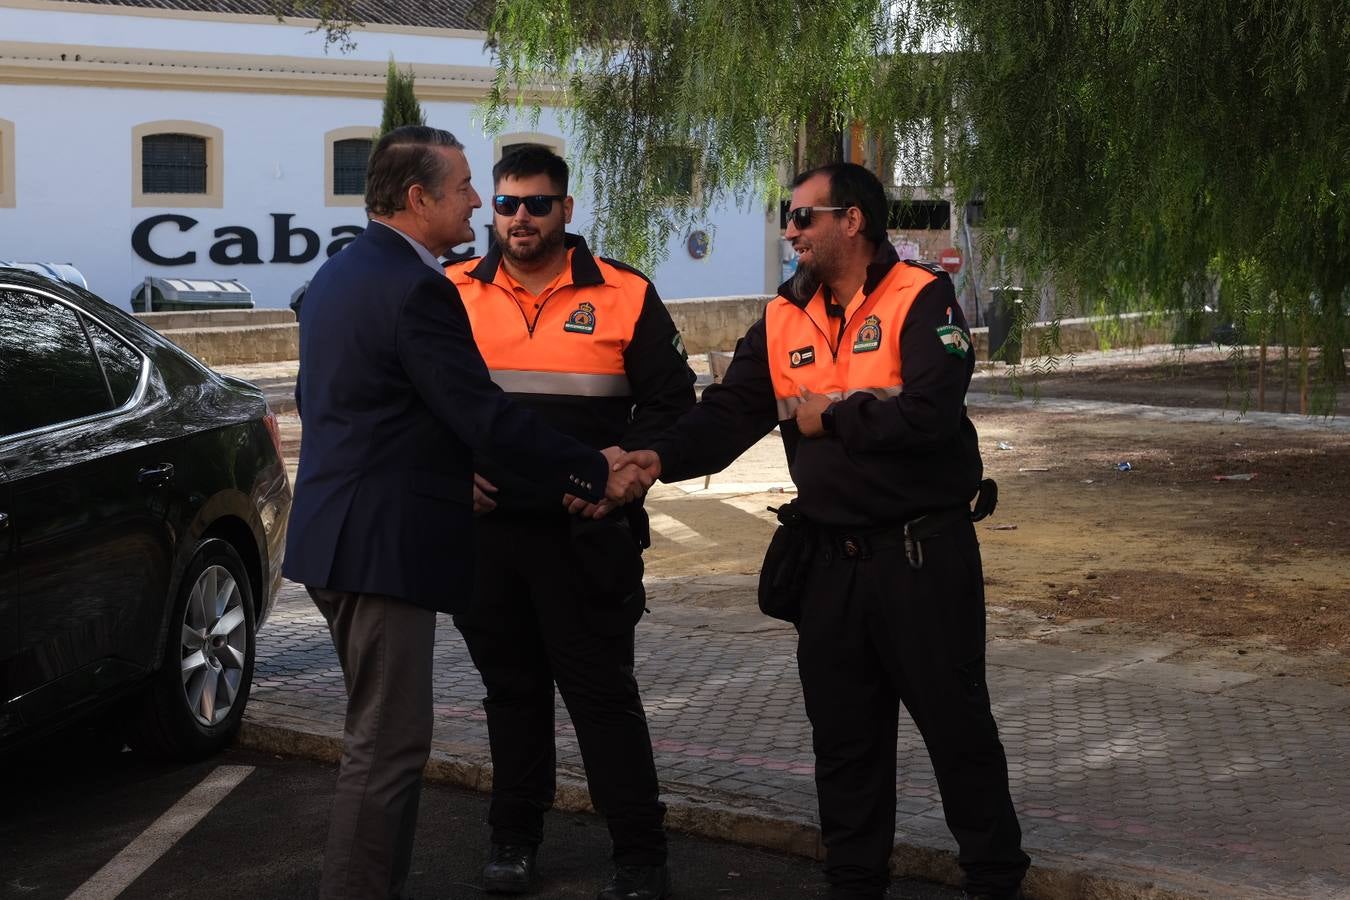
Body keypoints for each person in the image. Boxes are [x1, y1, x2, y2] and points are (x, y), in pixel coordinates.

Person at [614, 163, 1031, 900]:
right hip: (831, 563)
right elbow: (725, 418)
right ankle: (854, 881)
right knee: (844, 743)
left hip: (921, 555)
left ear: (853, 221)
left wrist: (831, 413)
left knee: (957, 732)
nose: (790, 231)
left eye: (804, 217)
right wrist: (656, 457)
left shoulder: (921, 298)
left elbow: (931, 415)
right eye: (789, 217)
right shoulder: (781, 319)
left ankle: (995, 881)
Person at [284, 126, 651, 900]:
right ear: (419, 199)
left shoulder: (340, 273)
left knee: (379, 741)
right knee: (386, 749)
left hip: (337, 535)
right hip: (381, 549)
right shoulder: (419, 286)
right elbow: (480, 414)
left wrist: (450, 474)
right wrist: (592, 465)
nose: (480, 203)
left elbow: (361, 412)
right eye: (464, 190)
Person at [444, 146, 694, 900]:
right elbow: (417, 402)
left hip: (587, 535)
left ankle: (641, 857)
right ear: (493, 208)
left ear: (567, 210)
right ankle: (513, 839)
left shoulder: (624, 292)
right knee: (511, 694)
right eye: (508, 203)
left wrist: (622, 468)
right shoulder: (450, 293)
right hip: (488, 536)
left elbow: (673, 405)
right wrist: (452, 473)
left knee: (602, 697)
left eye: (538, 203)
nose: (521, 218)